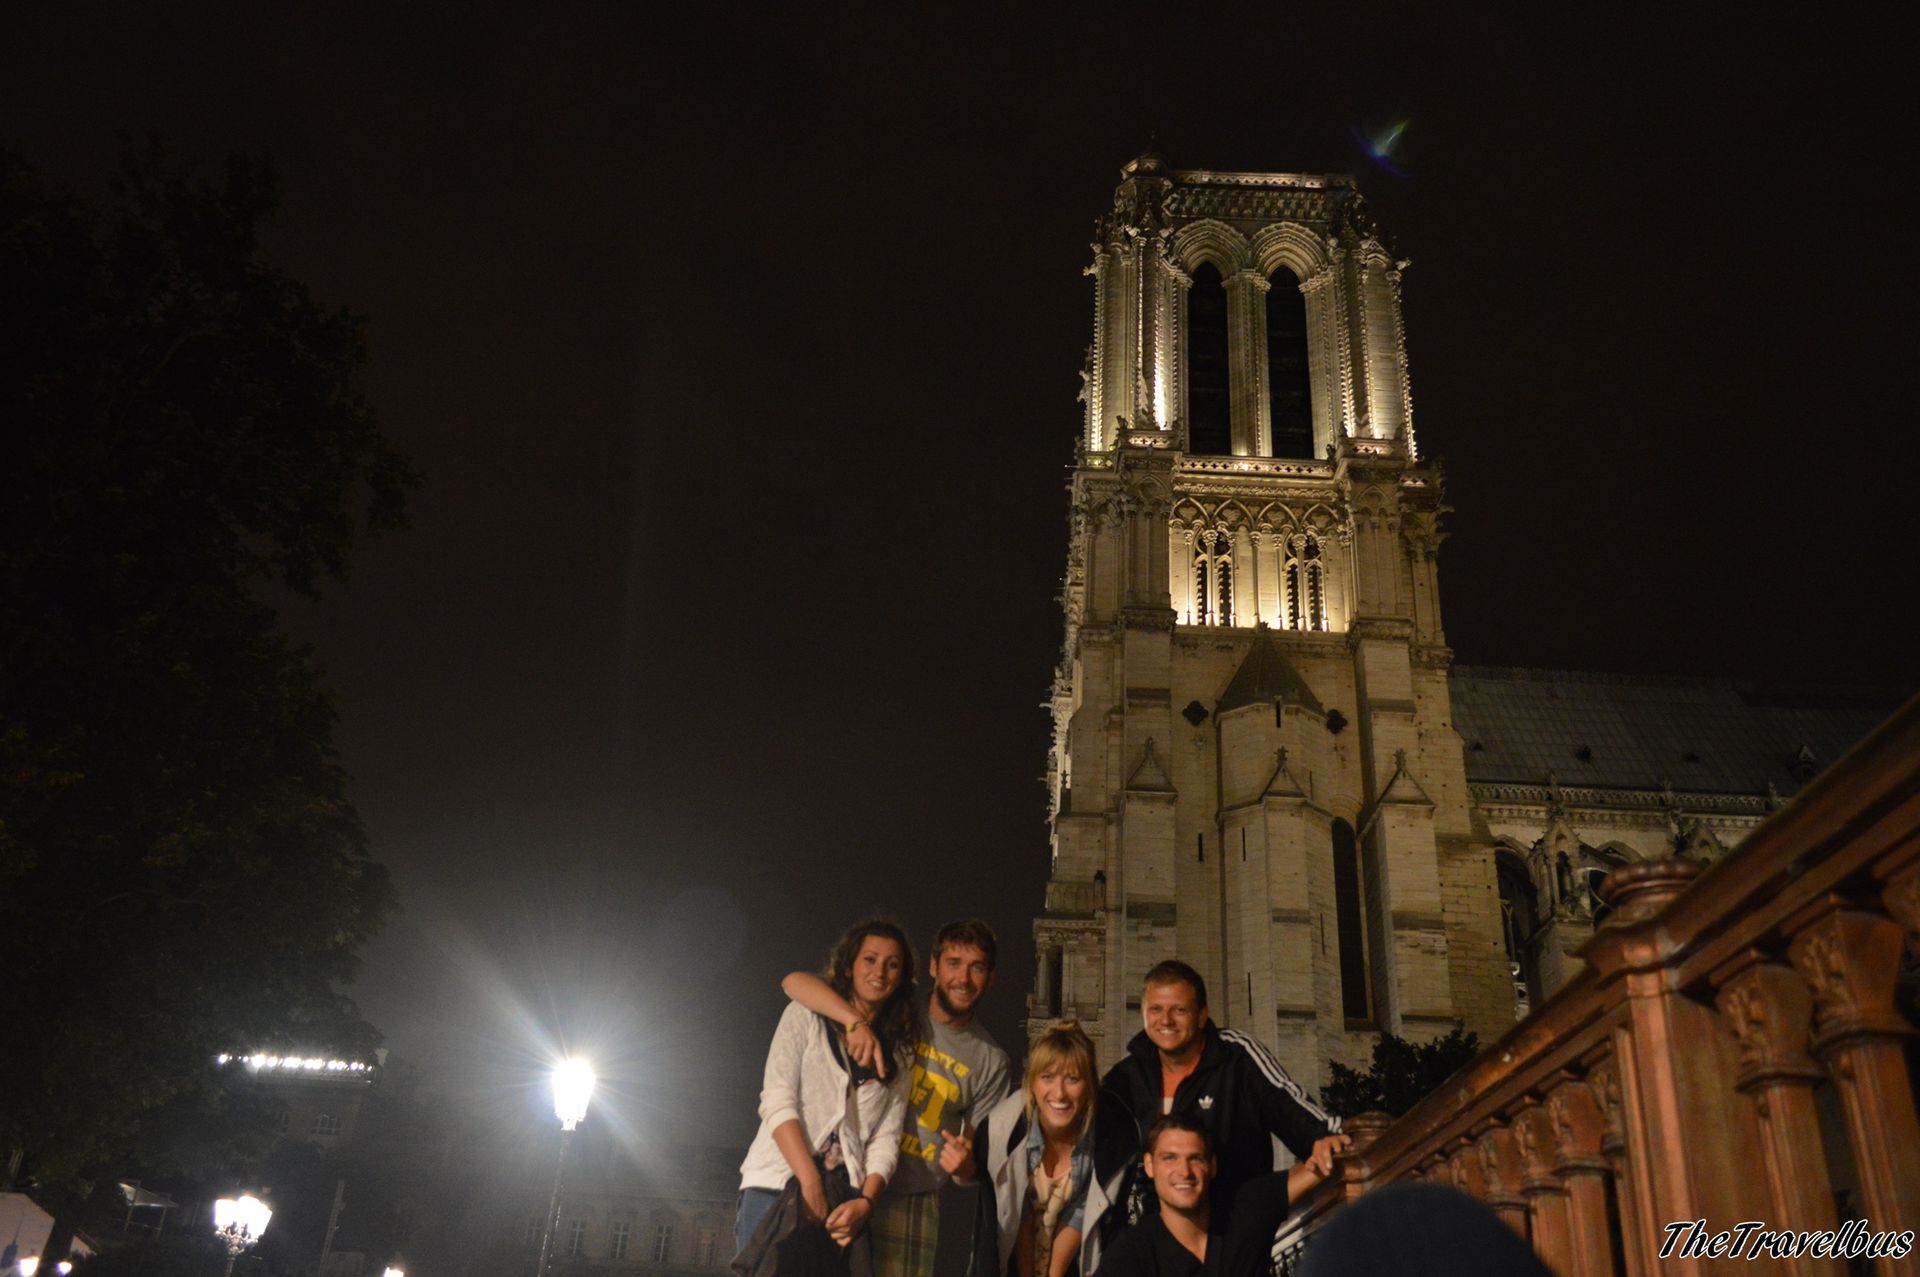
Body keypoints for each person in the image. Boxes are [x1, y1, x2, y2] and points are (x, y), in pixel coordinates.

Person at [781, 919, 1012, 1277]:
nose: (963, 979)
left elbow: (969, 1165)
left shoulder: (992, 1062)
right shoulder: (894, 1013)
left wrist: (965, 1168)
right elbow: (795, 983)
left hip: (913, 1199)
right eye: (953, 964)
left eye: (976, 967)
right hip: (847, 1176)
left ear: (991, 978)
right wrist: (855, 1023)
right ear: (934, 967)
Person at [1100, 961, 1347, 1225]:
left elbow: (1285, 1101)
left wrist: (1322, 1134)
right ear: (1144, 1014)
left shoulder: (1236, 1056)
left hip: (1234, 1228)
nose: (1166, 1020)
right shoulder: (1125, 1076)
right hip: (1152, 1237)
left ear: (1202, 1014)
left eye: (1179, 1010)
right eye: (1156, 1009)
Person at [736, 920, 918, 1273]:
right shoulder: (805, 1015)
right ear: (849, 966)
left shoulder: (902, 1052)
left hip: (843, 1203)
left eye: (892, 964)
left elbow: (886, 1140)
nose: (879, 971)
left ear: (901, 977)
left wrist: (866, 1201)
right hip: (775, 1186)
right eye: (870, 959)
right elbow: (776, 1100)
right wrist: (809, 1179)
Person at [955, 1022, 1137, 1277]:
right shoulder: (1002, 1132)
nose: (1059, 1093)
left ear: (1090, 1087)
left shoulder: (1109, 1143)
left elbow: (1078, 1222)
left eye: (1072, 1079)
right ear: (1032, 1083)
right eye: (1047, 1077)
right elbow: (1013, 1220)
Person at [1091, 1117, 1320, 1277]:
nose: (1184, 1171)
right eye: (1170, 1158)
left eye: (1196, 1158)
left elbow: (1323, 1165)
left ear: (1212, 1165)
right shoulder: (1132, 1252)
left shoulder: (1245, 1210)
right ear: (1150, 1165)